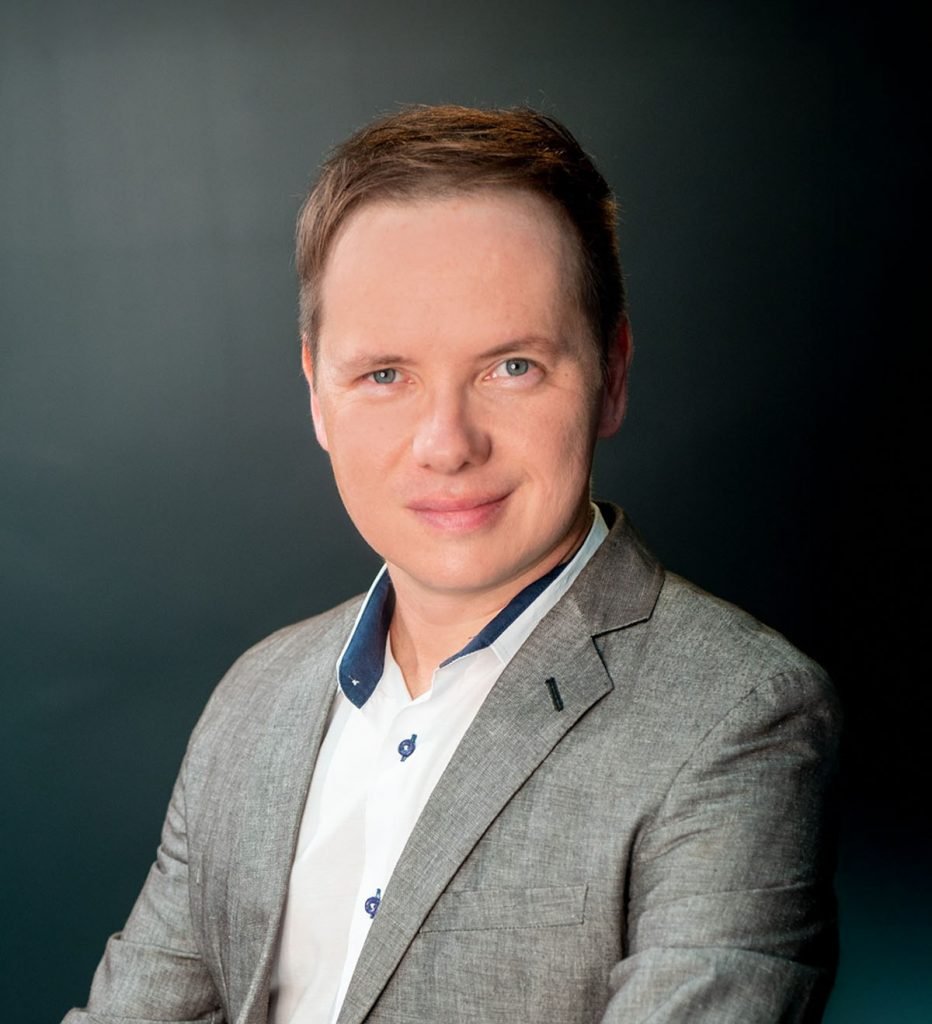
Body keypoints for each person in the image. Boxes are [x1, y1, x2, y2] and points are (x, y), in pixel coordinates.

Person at [64, 105, 840, 1024]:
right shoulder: (254, 697)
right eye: (385, 375)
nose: (446, 443)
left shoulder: (738, 712)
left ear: (613, 373)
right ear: (317, 395)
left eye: (511, 367)